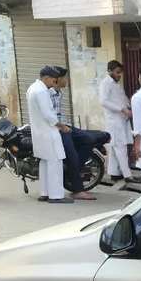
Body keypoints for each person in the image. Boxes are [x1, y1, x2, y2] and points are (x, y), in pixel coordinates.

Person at [51, 67, 96, 201]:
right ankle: (77, 190)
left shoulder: (59, 92)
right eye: (65, 78)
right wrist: (61, 127)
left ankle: (72, 169)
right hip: (58, 129)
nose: (67, 80)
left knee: (88, 139)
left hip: (65, 126)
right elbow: (49, 116)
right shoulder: (47, 94)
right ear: (57, 79)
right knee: (72, 155)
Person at [27, 66, 71, 203]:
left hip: (39, 133)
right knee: (55, 163)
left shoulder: (32, 88)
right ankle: (56, 196)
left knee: (45, 162)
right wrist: (62, 126)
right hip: (48, 132)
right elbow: (48, 114)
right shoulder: (41, 91)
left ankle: (44, 193)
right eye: (53, 80)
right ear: (46, 78)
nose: (54, 83)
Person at [99, 60, 140, 189]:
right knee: (120, 147)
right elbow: (103, 101)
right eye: (117, 72)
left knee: (115, 148)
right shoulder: (106, 83)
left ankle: (114, 173)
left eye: (120, 72)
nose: (119, 75)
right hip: (114, 121)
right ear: (109, 71)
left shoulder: (116, 84)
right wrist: (121, 109)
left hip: (122, 120)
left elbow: (122, 99)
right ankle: (128, 175)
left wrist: (130, 106)